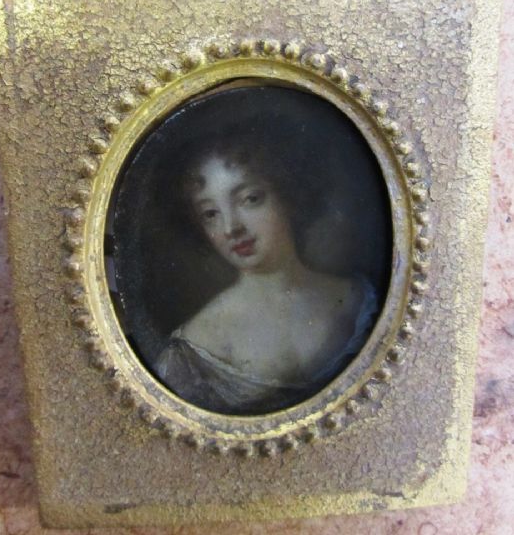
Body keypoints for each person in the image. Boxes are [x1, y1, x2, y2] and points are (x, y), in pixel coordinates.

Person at [153, 131, 377, 415]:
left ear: (288, 195)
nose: (231, 227)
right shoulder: (191, 351)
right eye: (210, 214)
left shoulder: (361, 303)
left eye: (250, 199)